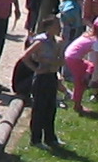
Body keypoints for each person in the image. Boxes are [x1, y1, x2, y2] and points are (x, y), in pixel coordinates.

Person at [21, 18, 66, 148]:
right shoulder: (41, 41)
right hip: (42, 78)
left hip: (51, 76)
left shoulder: (56, 41)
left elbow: (61, 61)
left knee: (50, 108)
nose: (59, 27)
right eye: (57, 25)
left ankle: (50, 137)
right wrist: (36, 69)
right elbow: (26, 56)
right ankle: (36, 139)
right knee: (39, 109)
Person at [65, 19, 98, 117]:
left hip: (69, 55)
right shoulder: (95, 41)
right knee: (80, 83)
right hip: (74, 59)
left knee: (90, 66)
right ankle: (77, 105)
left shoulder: (88, 34)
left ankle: (86, 76)